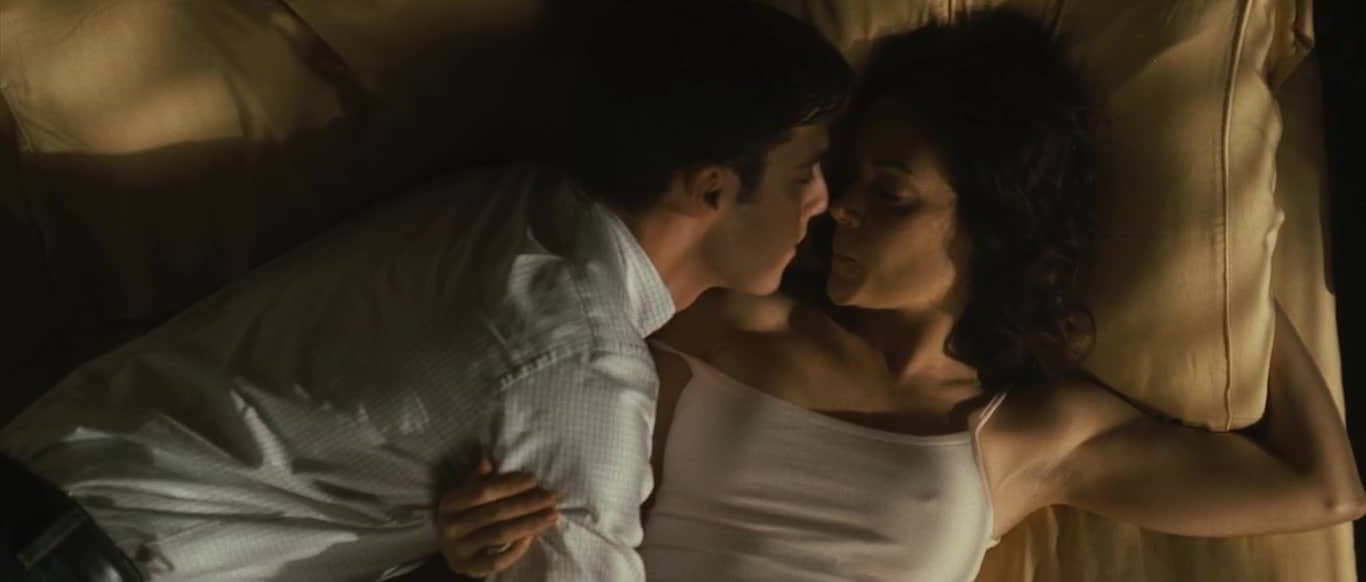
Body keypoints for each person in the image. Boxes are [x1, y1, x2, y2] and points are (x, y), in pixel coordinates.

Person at [434, 9, 1366, 581]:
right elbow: (554, 439)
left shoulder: (1032, 435)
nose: (839, 206)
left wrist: (1228, 256)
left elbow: (1322, 490)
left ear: (991, 224)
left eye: (892, 194)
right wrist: (467, 538)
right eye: (849, 176)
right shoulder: (720, 321)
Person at [0, 1, 853, 580]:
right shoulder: (583, 372)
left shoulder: (515, 204)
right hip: (93, 554)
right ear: (710, 188)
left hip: (44, 471)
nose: (824, 201)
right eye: (805, 172)